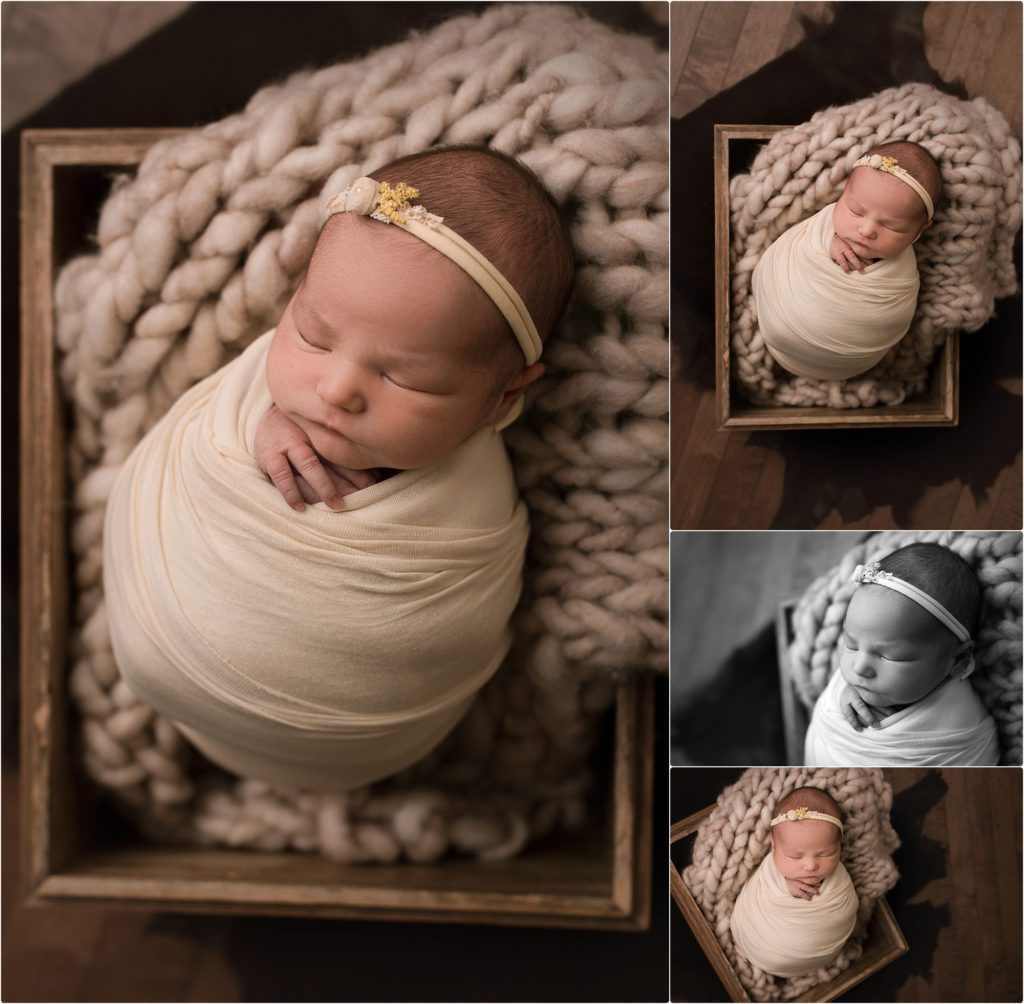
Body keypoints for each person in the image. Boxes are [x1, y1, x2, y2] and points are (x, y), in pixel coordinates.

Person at [102, 146, 575, 792]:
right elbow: (207, 421)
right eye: (315, 337)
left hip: (348, 738)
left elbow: (454, 619)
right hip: (160, 623)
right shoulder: (269, 387)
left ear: (504, 398)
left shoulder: (473, 500)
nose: (336, 389)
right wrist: (259, 422)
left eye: (402, 376)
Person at [752, 140, 942, 381]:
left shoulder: (901, 277)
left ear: (919, 231)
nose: (866, 230)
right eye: (856, 211)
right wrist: (827, 241)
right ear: (842, 195)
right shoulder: (822, 226)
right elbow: (795, 243)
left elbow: (892, 319)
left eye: (890, 225)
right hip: (780, 311)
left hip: (843, 361)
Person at [804, 542, 1000, 766]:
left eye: (890, 656)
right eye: (851, 644)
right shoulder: (852, 680)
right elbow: (827, 708)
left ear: (959, 660)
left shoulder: (962, 731)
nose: (858, 667)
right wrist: (842, 694)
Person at [730, 786, 858, 978]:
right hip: (755, 936)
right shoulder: (769, 869)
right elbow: (757, 885)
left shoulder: (840, 880)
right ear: (774, 846)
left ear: (840, 845)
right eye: (794, 856)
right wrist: (783, 886)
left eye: (826, 853)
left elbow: (847, 909)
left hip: (816, 955)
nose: (810, 866)